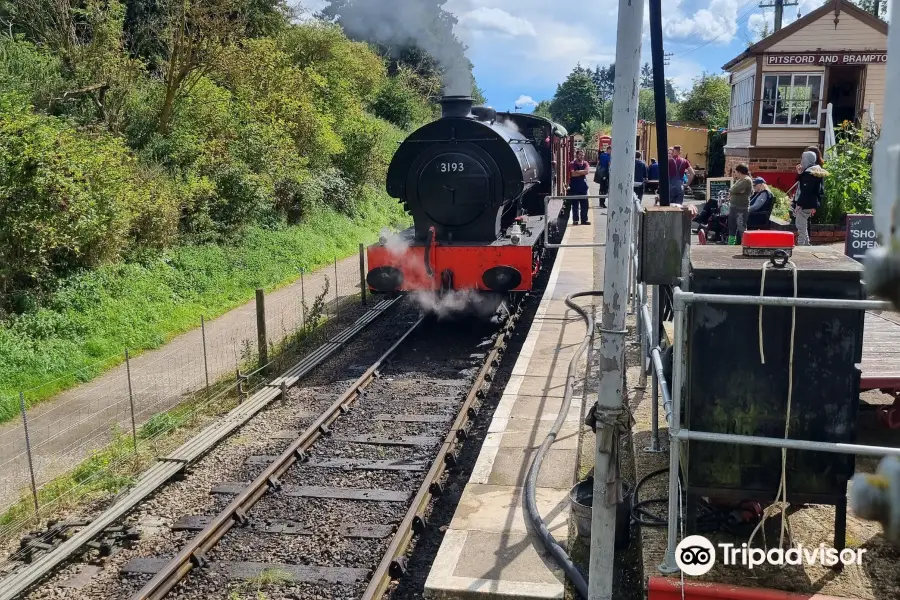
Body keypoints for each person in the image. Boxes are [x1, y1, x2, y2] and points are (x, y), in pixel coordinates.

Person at [794, 150, 828, 246]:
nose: (801, 161)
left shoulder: (809, 174)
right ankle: (806, 244)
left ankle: (801, 246)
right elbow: (819, 191)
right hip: (811, 203)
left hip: (805, 203)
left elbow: (805, 190)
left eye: (802, 158)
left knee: (800, 225)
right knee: (803, 224)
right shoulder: (816, 171)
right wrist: (800, 174)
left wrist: (799, 204)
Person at [727, 164, 752, 245]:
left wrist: (734, 191)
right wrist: (734, 191)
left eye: (736, 172)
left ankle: (744, 244)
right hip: (733, 207)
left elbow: (734, 189)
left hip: (741, 208)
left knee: (741, 227)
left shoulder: (747, 180)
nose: (735, 174)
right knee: (732, 227)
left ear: (740, 172)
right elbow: (733, 190)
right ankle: (730, 244)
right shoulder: (740, 180)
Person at [568, 149, 591, 226]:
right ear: (576, 155)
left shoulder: (585, 163)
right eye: (580, 154)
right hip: (574, 187)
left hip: (583, 187)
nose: (582, 156)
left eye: (582, 155)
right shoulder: (572, 163)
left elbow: (587, 171)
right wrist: (582, 172)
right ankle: (575, 220)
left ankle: (584, 220)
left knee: (585, 205)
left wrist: (577, 171)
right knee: (575, 205)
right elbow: (572, 174)